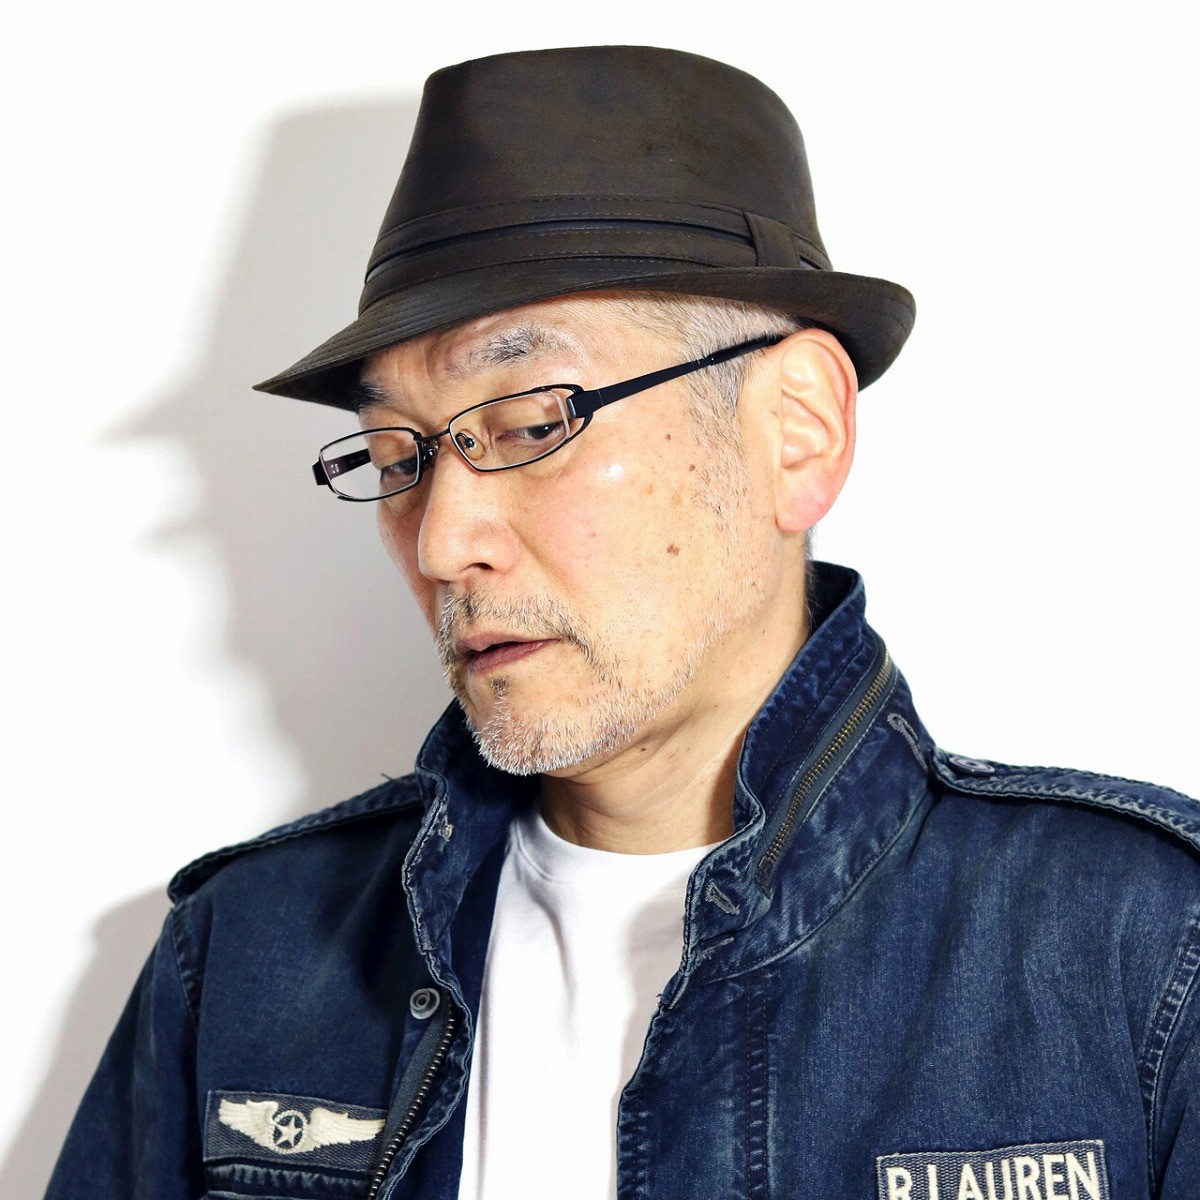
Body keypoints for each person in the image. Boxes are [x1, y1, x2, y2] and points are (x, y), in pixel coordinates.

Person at [47, 45, 1199, 1200]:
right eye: (399, 456)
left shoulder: (1142, 952)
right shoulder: (244, 958)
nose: (442, 543)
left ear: (797, 429)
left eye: (530, 423)